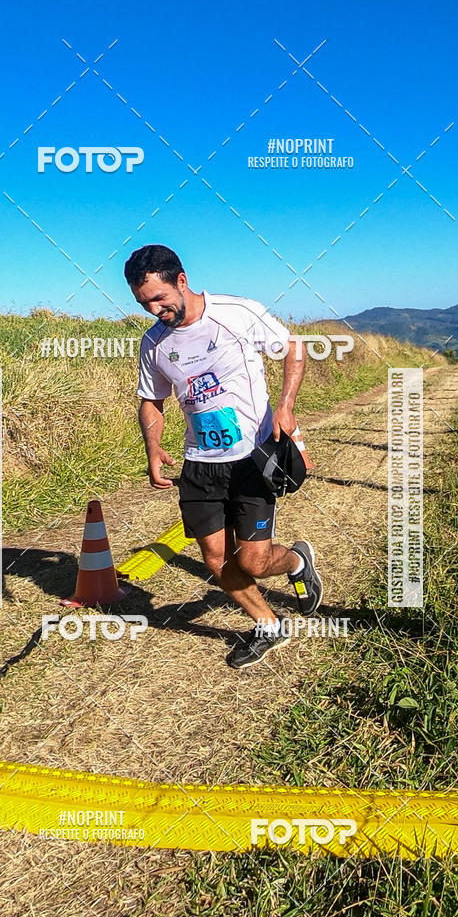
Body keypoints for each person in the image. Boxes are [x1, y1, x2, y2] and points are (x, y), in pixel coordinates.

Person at [124, 244, 322, 668]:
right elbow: (151, 399)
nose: (155, 310)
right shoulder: (154, 343)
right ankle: (268, 625)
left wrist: (285, 406)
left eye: (159, 298)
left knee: (253, 559)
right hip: (200, 463)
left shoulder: (235, 313)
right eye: (144, 304)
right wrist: (153, 446)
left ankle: (297, 561)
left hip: (251, 457)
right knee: (215, 557)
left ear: (182, 280)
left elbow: (293, 347)